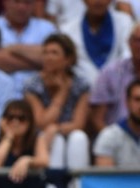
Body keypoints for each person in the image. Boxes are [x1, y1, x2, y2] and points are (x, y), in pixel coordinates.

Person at [23, 33, 91, 173]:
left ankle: (77, 187)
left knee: (79, 137)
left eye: (54, 53)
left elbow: (79, 123)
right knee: (57, 140)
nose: (48, 57)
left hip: (69, 133)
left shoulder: (81, 85)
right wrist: (62, 93)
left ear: (68, 59)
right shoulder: (32, 85)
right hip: (42, 138)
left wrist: (57, 128)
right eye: (45, 53)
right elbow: (41, 122)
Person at [0, 98, 49, 188]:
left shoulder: (37, 139)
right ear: (3, 121)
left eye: (21, 118)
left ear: (30, 122)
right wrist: (9, 137)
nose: (15, 122)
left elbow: (45, 160)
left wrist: (27, 160)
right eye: (10, 117)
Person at [0, 0, 57, 96]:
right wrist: (39, 63)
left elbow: (56, 60)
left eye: (27, 2)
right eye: (16, 2)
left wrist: (11, 49)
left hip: (39, 98)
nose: (22, 7)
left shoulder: (47, 28)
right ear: (5, 2)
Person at [59, 0, 134, 87]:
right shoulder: (67, 30)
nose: (98, 1)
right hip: (80, 92)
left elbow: (128, 56)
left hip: (118, 88)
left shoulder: (125, 22)